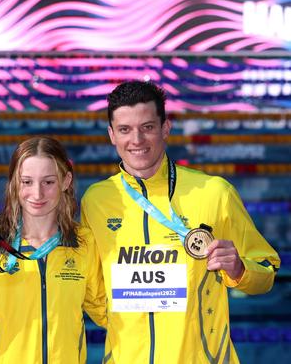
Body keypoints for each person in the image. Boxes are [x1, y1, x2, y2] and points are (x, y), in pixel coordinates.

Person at [80, 80, 281, 363]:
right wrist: (122, 320)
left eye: (147, 127)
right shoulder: (96, 200)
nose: (136, 140)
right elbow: (91, 285)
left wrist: (238, 269)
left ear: (165, 129)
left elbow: (267, 271)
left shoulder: (214, 193)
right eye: (125, 129)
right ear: (112, 134)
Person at [0, 137, 106, 364]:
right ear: (15, 183)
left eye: (48, 182)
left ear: (66, 181)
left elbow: (106, 312)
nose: (37, 194)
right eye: (27, 182)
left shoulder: (82, 243)